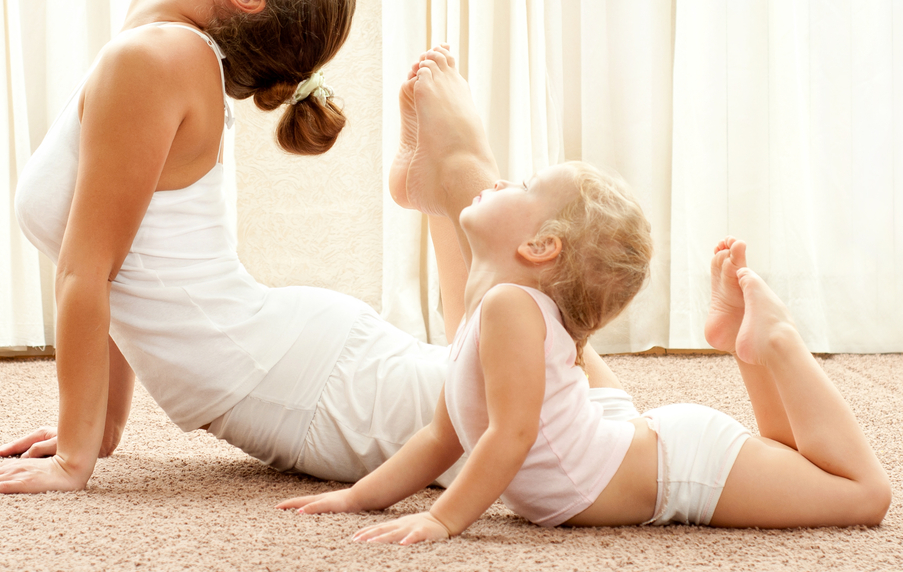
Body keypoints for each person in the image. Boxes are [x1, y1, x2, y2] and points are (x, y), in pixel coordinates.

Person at [0, 0, 634, 495]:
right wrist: (96, 427)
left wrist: (74, 455)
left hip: (306, 378)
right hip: (290, 359)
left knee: (598, 430)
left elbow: (89, 271)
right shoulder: (153, 53)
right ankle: (452, 193)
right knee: (520, 389)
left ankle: (463, 180)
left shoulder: (156, 59)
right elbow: (107, 266)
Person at [277, 47, 892, 541]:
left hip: (683, 468)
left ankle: (775, 342)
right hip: (635, 443)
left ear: (542, 246)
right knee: (791, 461)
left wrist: (443, 519)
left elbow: (510, 436)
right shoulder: (495, 308)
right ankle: (749, 346)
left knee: (862, 496)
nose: (502, 182)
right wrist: (360, 498)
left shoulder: (511, 307)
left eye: (523, 184)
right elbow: (443, 435)